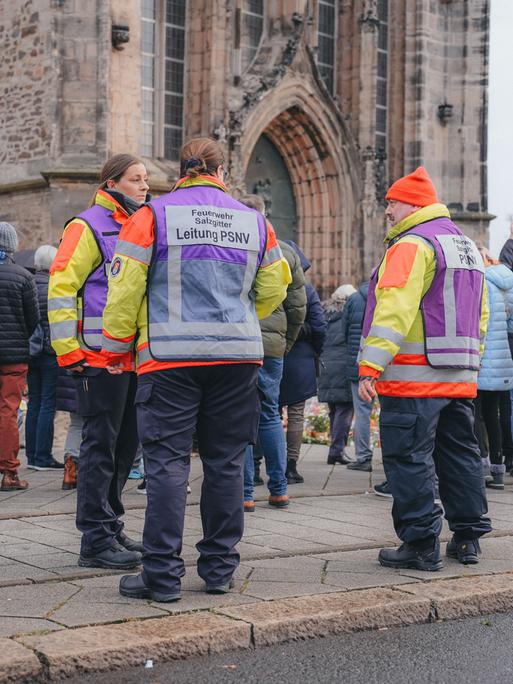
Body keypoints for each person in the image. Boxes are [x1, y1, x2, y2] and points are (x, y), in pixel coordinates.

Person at [100, 138, 291, 602]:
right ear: (221, 173)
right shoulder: (254, 222)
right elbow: (273, 290)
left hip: (168, 359)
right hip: (236, 359)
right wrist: (235, 310)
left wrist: (114, 350)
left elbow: (124, 292)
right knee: (225, 463)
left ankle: (161, 577)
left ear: (181, 172)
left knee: (167, 465)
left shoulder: (152, 216)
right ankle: (220, 570)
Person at [358, 166, 491, 570]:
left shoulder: (412, 245)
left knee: (409, 458)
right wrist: (471, 363)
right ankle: (468, 538)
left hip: (414, 379)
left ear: (413, 204)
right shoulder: (467, 247)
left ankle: (420, 543)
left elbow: (394, 309)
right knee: (460, 456)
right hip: (459, 378)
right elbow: (481, 316)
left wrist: (370, 365)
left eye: (392, 203)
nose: (387, 211)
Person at [49, 154, 149, 570]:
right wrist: (67, 349)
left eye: (146, 180)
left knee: (126, 447)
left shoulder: (140, 225)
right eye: (136, 179)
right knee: (99, 447)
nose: (145, 187)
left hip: (131, 358)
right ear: (111, 183)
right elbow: (61, 285)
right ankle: (94, 539)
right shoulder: (86, 225)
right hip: (94, 358)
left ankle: (110, 524)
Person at [239, 197, 306, 509]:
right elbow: (298, 308)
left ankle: (245, 494)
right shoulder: (286, 252)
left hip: (238, 342)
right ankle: (279, 489)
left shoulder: (234, 244)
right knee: (269, 415)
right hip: (274, 347)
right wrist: (284, 343)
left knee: (239, 417)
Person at [279, 241, 326, 484]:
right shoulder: (306, 291)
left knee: (268, 414)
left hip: (272, 356)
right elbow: (319, 327)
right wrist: (314, 351)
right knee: (296, 415)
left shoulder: (267, 283)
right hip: (300, 359)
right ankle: (291, 466)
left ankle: (258, 469)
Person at [0, 222, 40, 491]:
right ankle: (9, 473)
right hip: (13, 357)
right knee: (8, 411)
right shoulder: (23, 276)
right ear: (13, 245)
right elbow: (33, 318)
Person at [474, 247, 513, 490]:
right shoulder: (505, 284)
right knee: (494, 415)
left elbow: (479, 323)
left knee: (476, 414)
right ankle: (498, 469)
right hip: (503, 361)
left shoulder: (481, 283)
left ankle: (482, 468)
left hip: (484, 359)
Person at [25, 245, 63, 471]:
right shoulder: (54, 286)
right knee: (48, 404)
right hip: (50, 352)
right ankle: (43, 457)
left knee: (34, 403)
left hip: (30, 352)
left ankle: (31, 456)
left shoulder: (29, 283)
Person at [340, 280, 379, 475]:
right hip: (387, 361)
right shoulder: (386, 294)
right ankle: (391, 457)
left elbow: (344, 331)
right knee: (390, 411)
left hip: (360, 361)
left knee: (362, 411)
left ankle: (363, 457)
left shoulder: (354, 299)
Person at [318, 285, 356, 466]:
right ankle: (336, 451)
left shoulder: (324, 313)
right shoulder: (348, 315)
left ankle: (335, 448)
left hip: (325, 365)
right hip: (342, 365)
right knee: (345, 408)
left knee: (334, 409)